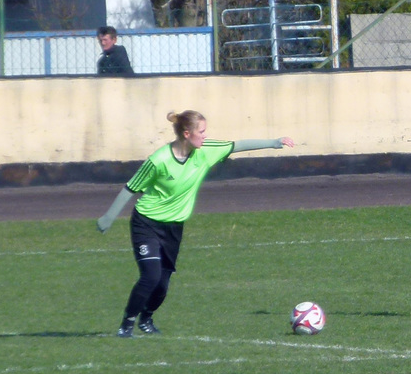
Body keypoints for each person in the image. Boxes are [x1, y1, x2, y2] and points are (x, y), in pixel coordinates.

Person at [96, 111, 294, 336]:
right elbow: (131, 187)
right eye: (201, 131)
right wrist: (109, 216)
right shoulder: (159, 160)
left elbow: (237, 145)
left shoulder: (206, 150)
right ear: (187, 134)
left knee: (162, 283)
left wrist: (274, 142)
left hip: (174, 228)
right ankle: (126, 325)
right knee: (150, 276)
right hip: (146, 223)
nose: (205, 135)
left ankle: (146, 319)